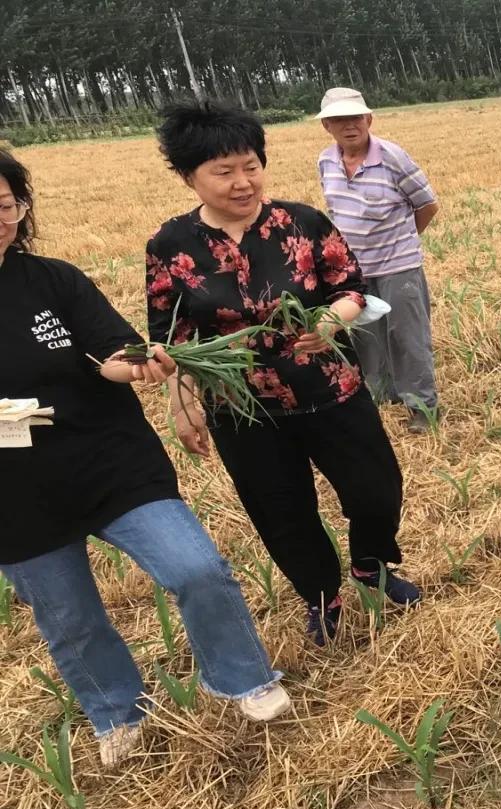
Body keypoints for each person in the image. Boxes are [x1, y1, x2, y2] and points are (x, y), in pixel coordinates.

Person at [0, 150, 290, 767]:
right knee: (70, 618)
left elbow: (109, 352)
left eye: (6, 206)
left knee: (197, 569)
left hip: (109, 459)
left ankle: (242, 677)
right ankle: (117, 712)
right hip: (13, 491)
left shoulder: (53, 280)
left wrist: (136, 365)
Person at [146, 101, 422, 648]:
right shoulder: (171, 246)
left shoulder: (302, 222)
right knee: (281, 511)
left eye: (251, 166)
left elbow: (350, 286)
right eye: (224, 172)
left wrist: (331, 320)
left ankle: (371, 563)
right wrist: (182, 406)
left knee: (377, 489)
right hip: (242, 407)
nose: (242, 182)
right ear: (188, 177)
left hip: (329, 387)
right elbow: (171, 337)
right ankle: (321, 596)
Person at [316, 87, 442, 434]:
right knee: (365, 336)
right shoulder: (326, 161)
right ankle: (381, 395)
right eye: (339, 119)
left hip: (399, 266)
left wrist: (404, 241)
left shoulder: (392, 157)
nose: (349, 125)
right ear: (327, 125)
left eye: (355, 117)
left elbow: (427, 205)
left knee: (408, 338)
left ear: (369, 119)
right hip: (354, 271)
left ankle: (422, 406)